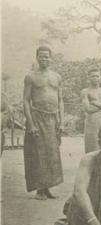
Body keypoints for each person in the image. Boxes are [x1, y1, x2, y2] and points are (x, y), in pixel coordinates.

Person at [23, 46, 64, 200]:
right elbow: (26, 101)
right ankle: (39, 189)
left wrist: (62, 121)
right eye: (41, 57)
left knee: (51, 152)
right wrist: (31, 123)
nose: (44, 59)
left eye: (47, 57)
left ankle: (47, 188)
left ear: (51, 58)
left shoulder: (57, 77)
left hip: (53, 118)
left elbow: (60, 100)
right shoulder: (31, 77)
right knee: (38, 152)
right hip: (37, 117)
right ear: (37, 58)